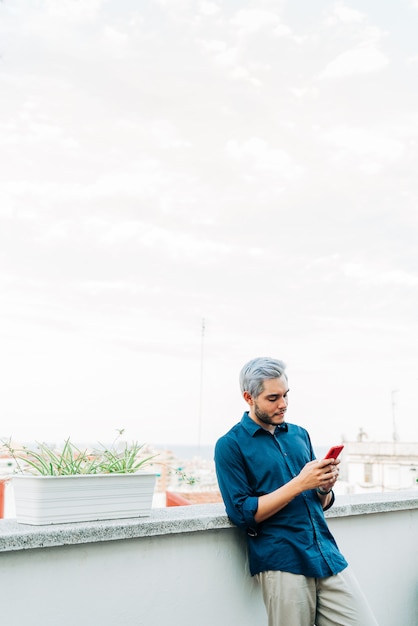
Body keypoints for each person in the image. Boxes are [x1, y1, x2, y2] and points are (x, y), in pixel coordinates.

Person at [214, 357, 378, 626]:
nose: (283, 404)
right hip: (282, 560)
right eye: (273, 397)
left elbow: (320, 501)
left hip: (326, 553)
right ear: (248, 397)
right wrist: (300, 483)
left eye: (286, 395)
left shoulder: (300, 434)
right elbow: (242, 513)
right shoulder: (230, 445)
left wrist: (324, 487)